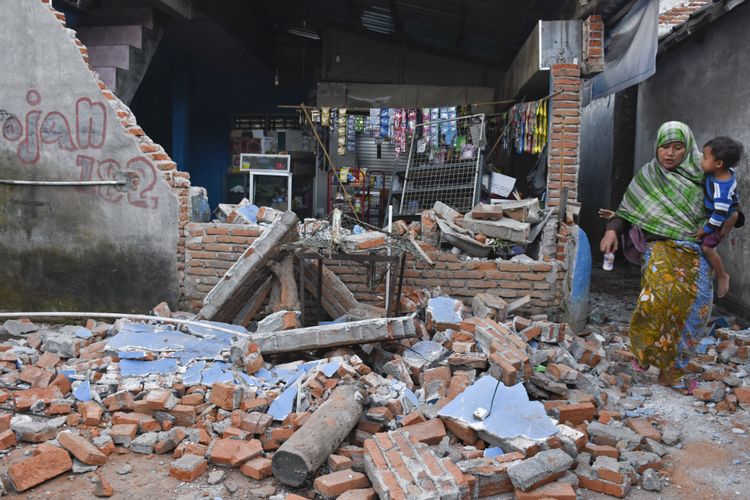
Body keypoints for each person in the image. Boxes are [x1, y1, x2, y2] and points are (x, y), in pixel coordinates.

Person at [599, 121, 714, 391]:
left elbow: (726, 201)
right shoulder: (648, 176)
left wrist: (731, 218)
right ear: (657, 148)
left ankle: (672, 371)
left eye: (677, 147)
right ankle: (645, 353)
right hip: (660, 247)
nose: (670, 153)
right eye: (665, 147)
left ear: (688, 149)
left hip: (696, 252)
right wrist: (611, 230)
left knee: (696, 312)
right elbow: (627, 212)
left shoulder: (704, 173)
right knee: (656, 302)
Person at [694, 136, 743, 298]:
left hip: (719, 217)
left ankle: (722, 274)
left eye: (706, 158)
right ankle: (734, 216)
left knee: (707, 248)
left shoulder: (722, 189)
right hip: (724, 210)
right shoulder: (722, 171)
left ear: (719, 163)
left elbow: (719, 215)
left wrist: (705, 229)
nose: (702, 160)